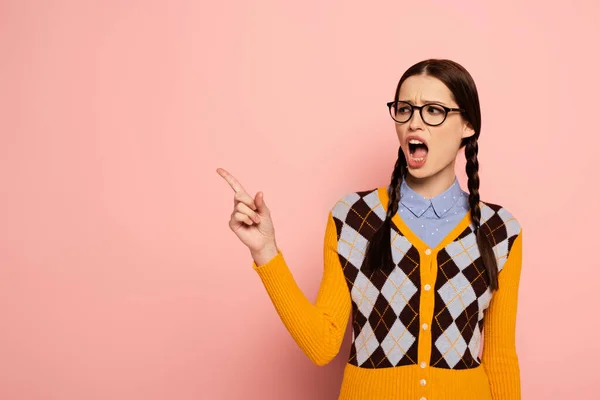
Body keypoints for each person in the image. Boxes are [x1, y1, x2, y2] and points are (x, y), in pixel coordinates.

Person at [217, 59, 523, 400]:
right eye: (405, 109)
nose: (413, 123)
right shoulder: (353, 219)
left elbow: (500, 360)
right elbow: (322, 344)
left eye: (433, 110)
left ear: (468, 124)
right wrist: (265, 252)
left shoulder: (501, 231)